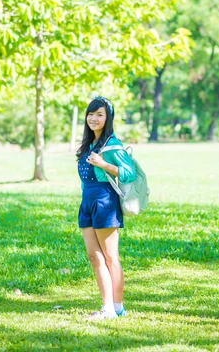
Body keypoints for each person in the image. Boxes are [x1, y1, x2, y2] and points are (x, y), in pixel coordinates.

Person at [76, 95, 136, 321]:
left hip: (105, 201)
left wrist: (104, 164)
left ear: (108, 118)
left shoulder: (112, 144)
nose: (93, 118)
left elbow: (129, 173)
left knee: (111, 257)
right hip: (87, 201)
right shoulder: (87, 144)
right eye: (91, 114)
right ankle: (107, 306)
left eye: (99, 114)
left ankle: (116, 308)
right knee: (94, 256)